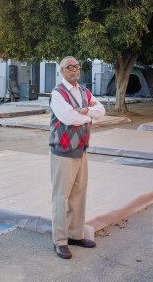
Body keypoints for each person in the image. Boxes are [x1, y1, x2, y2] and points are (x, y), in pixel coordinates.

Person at [49, 56, 105, 260]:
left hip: (81, 149)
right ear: (62, 71)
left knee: (79, 193)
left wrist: (87, 111)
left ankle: (75, 234)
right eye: (69, 67)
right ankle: (60, 240)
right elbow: (68, 117)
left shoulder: (84, 92)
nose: (74, 70)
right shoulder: (58, 93)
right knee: (61, 196)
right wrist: (89, 116)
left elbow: (102, 110)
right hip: (62, 151)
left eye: (77, 67)